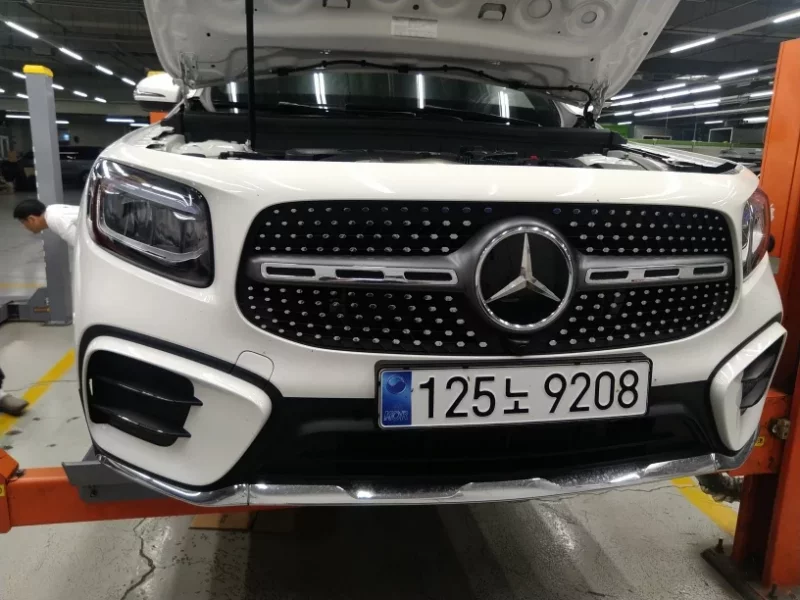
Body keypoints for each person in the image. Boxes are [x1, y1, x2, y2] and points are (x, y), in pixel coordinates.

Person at [13, 198, 79, 247]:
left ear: (31, 219)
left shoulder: (54, 219)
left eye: (23, 222)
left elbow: (80, 245)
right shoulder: (52, 209)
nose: (24, 227)